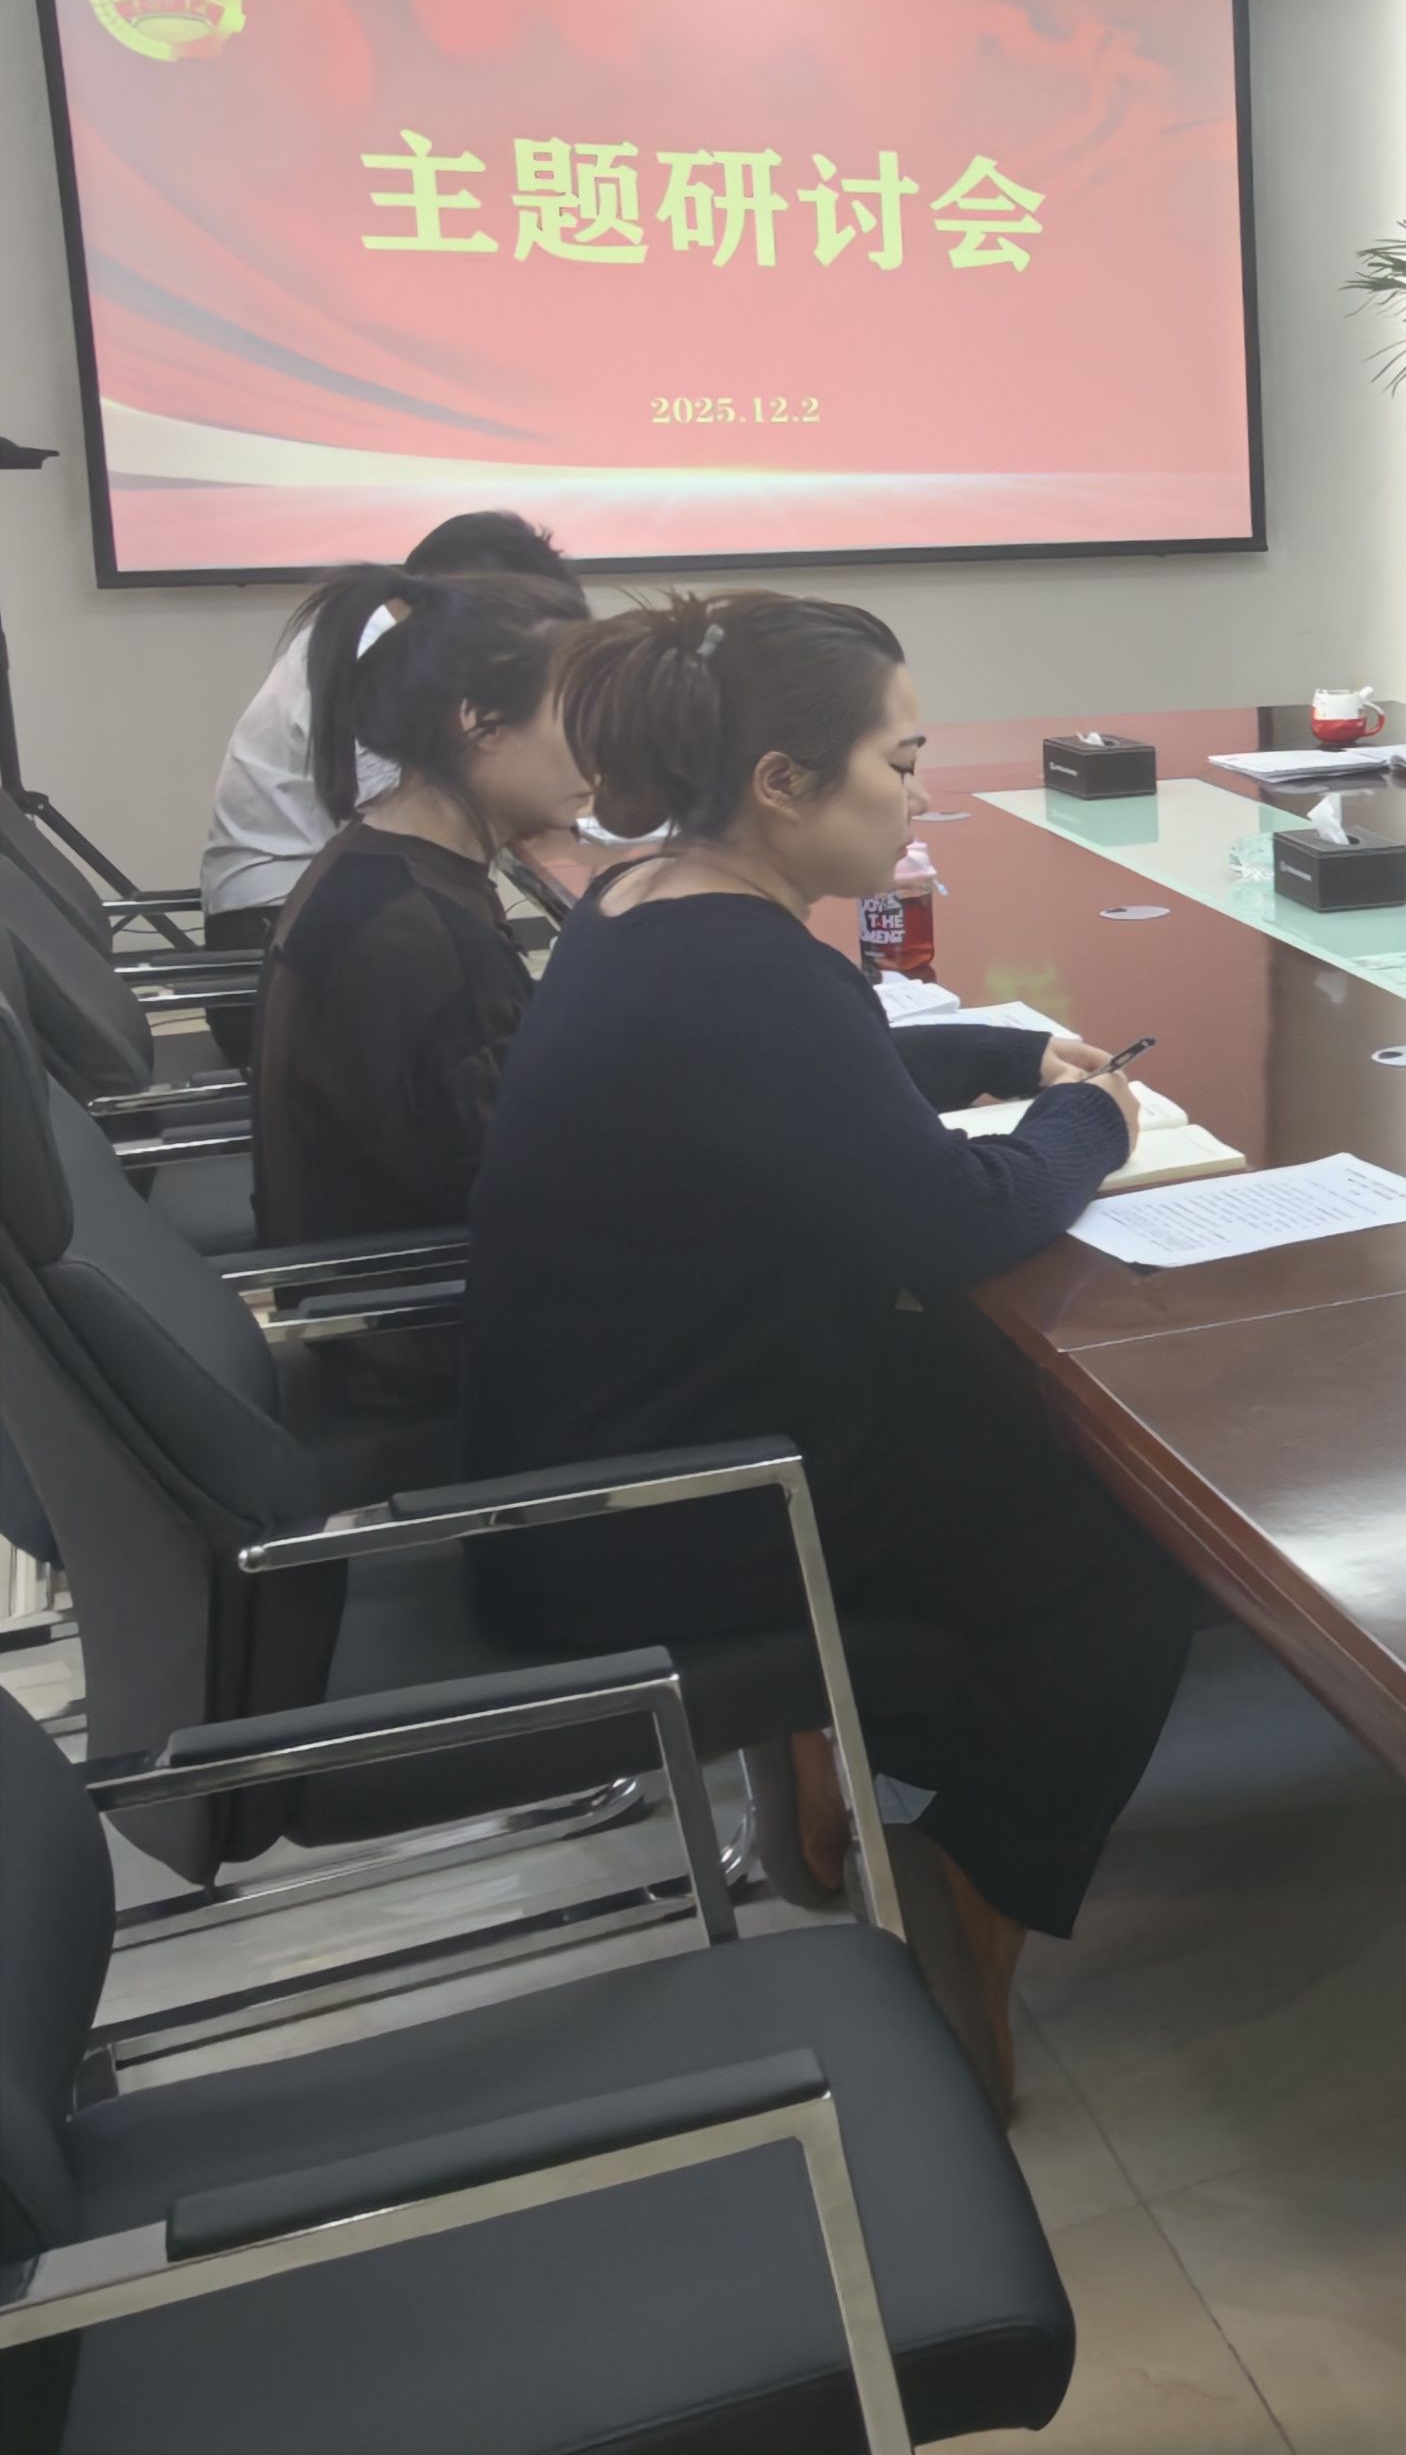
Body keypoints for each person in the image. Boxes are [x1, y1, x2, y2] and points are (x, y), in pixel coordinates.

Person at [462, 591, 1196, 2112]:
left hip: (606, 1444)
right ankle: (975, 1878)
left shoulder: (647, 901)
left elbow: (805, 1081)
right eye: (901, 762)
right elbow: (956, 1221)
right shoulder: (746, 971)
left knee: (1012, 1430)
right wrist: (1089, 1121)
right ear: (784, 783)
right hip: (674, 1505)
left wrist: (1001, 1052)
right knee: (1130, 1545)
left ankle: (834, 1757)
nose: (920, 795)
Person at [246, 565, 589, 1406]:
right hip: (440, 1346)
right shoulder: (417, 937)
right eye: (578, 714)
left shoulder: (387, 863)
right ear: (479, 723)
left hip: (410, 1299)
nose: (602, 745)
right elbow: (529, 1196)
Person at [202, 510, 576, 940]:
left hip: (332, 896)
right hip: (282, 913)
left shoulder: (381, 637)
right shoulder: (380, 660)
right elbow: (423, 818)